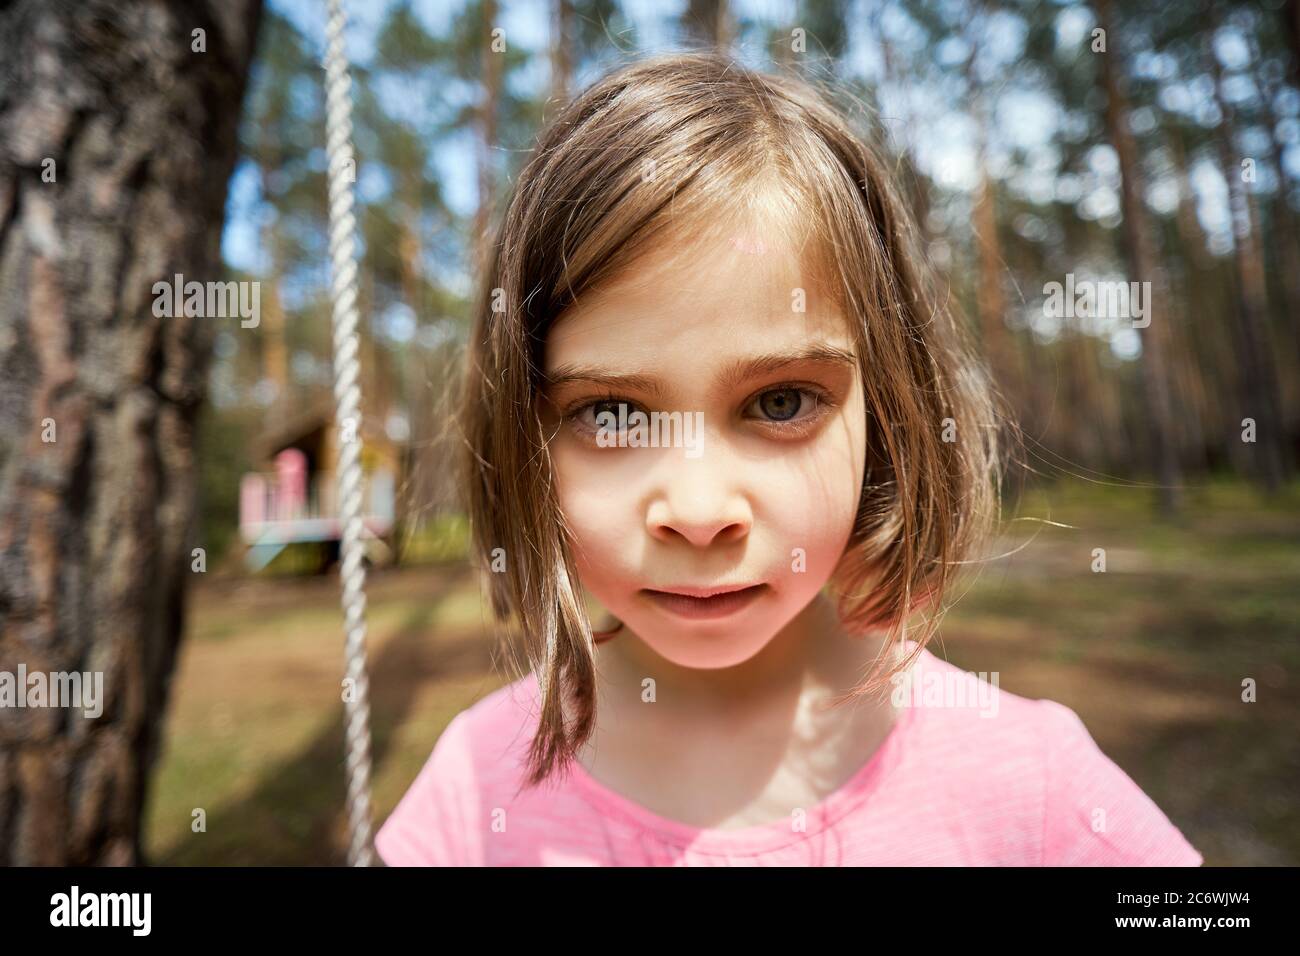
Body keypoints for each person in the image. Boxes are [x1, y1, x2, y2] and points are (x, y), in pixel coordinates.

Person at [376, 51, 1202, 867]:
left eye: (779, 402)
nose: (698, 511)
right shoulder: (474, 794)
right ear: (526, 440)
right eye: (614, 414)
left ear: (888, 414)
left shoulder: (1036, 787)